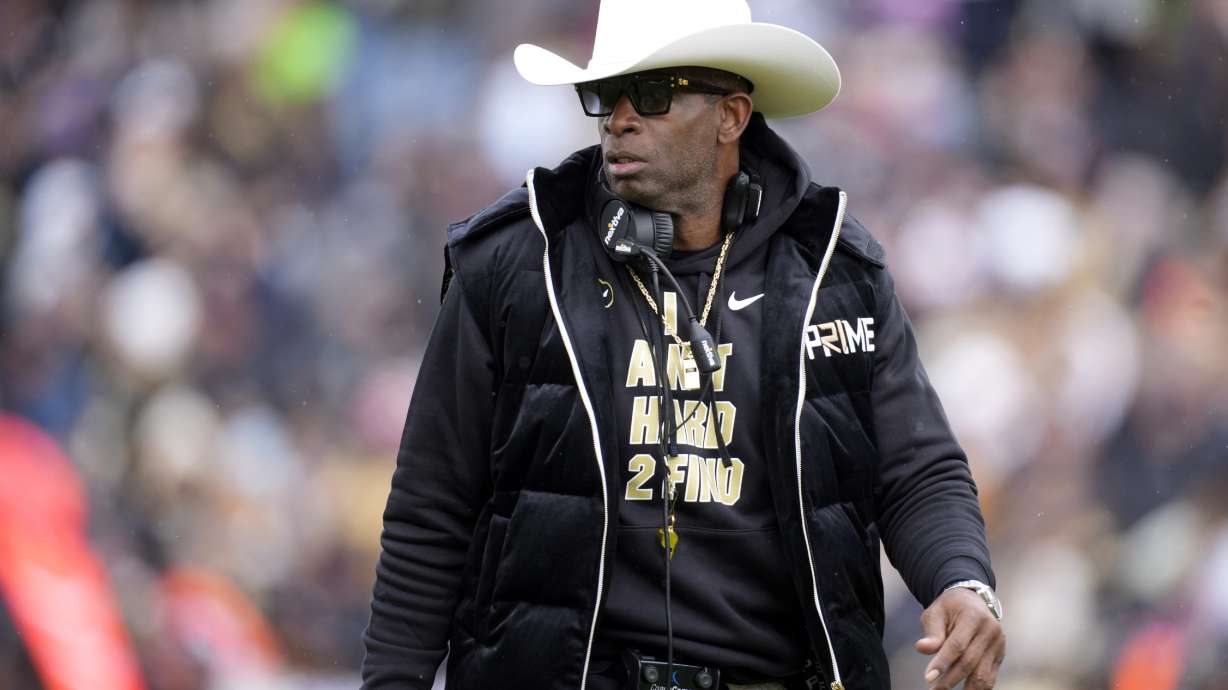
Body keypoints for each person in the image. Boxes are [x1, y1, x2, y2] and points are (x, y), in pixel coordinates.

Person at [362, 1, 1006, 689]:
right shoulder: (519, 264)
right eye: (605, 96)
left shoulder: (835, 274)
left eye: (652, 94)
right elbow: (431, 508)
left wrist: (963, 579)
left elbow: (918, 468)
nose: (619, 119)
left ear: (731, 116)